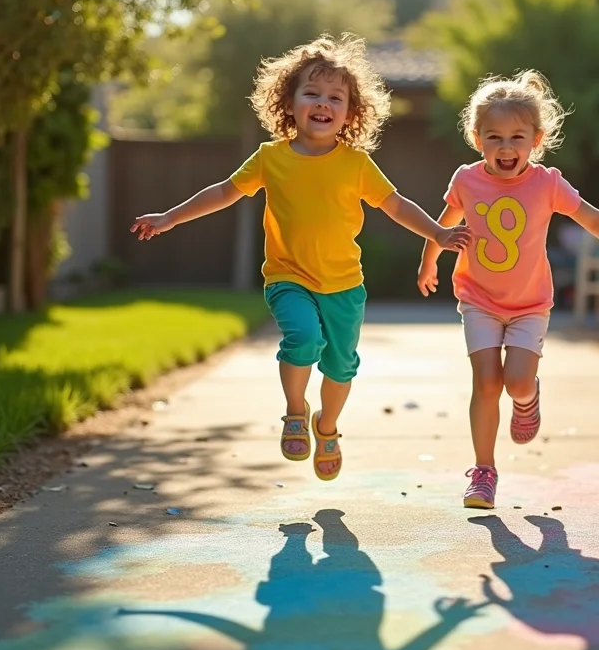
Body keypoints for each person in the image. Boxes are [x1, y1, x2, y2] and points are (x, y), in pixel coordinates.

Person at [130, 33, 471, 482]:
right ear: (289, 103)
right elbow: (223, 192)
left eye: (336, 97)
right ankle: (295, 411)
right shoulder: (271, 157)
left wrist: (439, 233)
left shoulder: (355, 163)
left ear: (351, 112)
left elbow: (396, 205)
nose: (323, 103)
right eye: (312, 92)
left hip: (344, 283)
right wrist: (171, 217)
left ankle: (326, 427)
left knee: (341, 365)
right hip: (288, 277)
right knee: (302, 339)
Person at [417, 70, 599, 510]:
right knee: (485, 383)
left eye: (517, 137)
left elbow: (593, 219)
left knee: (515, 383)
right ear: (477, 139)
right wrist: (428, 264)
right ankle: (483, 472)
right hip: (478, 298)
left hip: (530, 304)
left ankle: (529, 396)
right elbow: (443, 226)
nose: (505, 147)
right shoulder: (467, 180)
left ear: (536, 140)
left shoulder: (547, 183)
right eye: (494, 137)